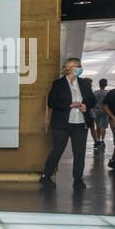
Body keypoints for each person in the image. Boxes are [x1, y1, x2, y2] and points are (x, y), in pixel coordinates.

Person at [41, 57, 95, 188]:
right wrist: (69, 105)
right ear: (70, 68)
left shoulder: (84, 83)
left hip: (80, 123)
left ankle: (78, 179)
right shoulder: (58, 84)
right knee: (57, 150)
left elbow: (92, 99)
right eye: (78, 66)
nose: (80, 68)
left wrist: (86, 105)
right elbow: (51, 103)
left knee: (79, 153)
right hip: (61, 124)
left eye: (80, 66)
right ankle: (46, 176)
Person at [90, 78, 109, 151]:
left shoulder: (95, 93)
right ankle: (103, 140)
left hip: (96, 110)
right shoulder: (108, 93)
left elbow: (92, 102)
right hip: (105, 110)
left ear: (99, 84)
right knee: (104, 126)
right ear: (106, 84)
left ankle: (98, 139)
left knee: (97, 126)